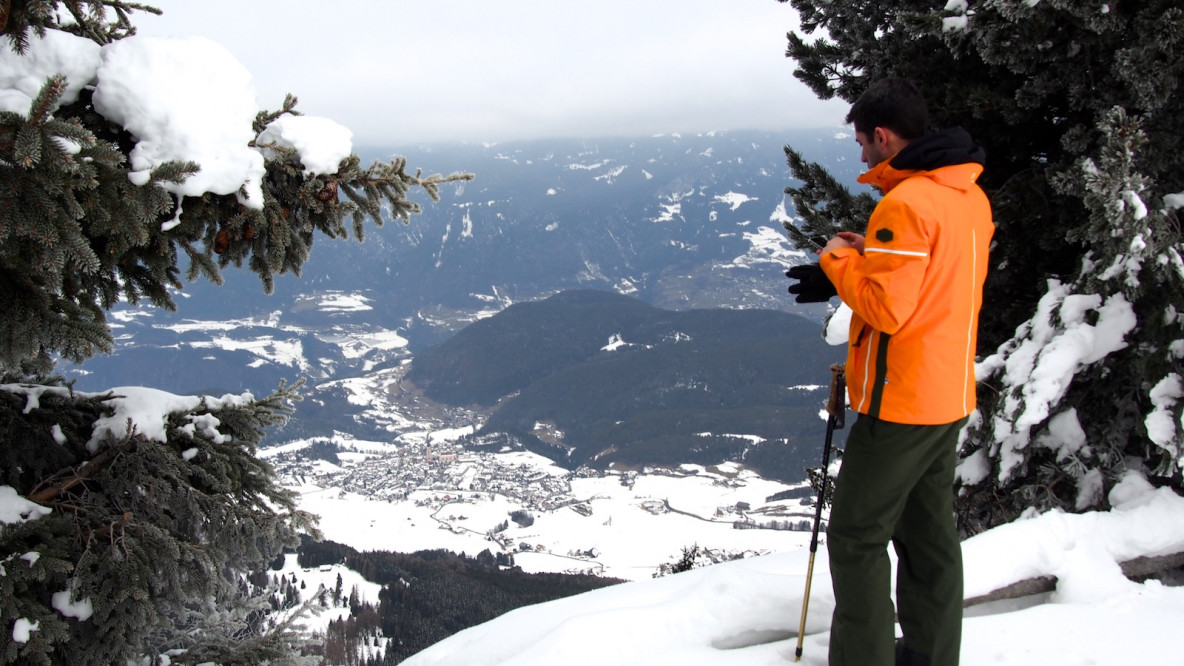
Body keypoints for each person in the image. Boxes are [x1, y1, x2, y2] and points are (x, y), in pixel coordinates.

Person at [787, 77, 994, 666]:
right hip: (948, 394)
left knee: (855, 537)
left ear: (882, 135)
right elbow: (937, 285)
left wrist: (837, 256)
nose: (860, 156)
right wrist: (867, 257)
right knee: (929, 538)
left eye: (861, 143)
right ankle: (931, 655)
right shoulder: (967, 198)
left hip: (899, 402)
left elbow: (886, 310)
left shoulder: (906, 203)